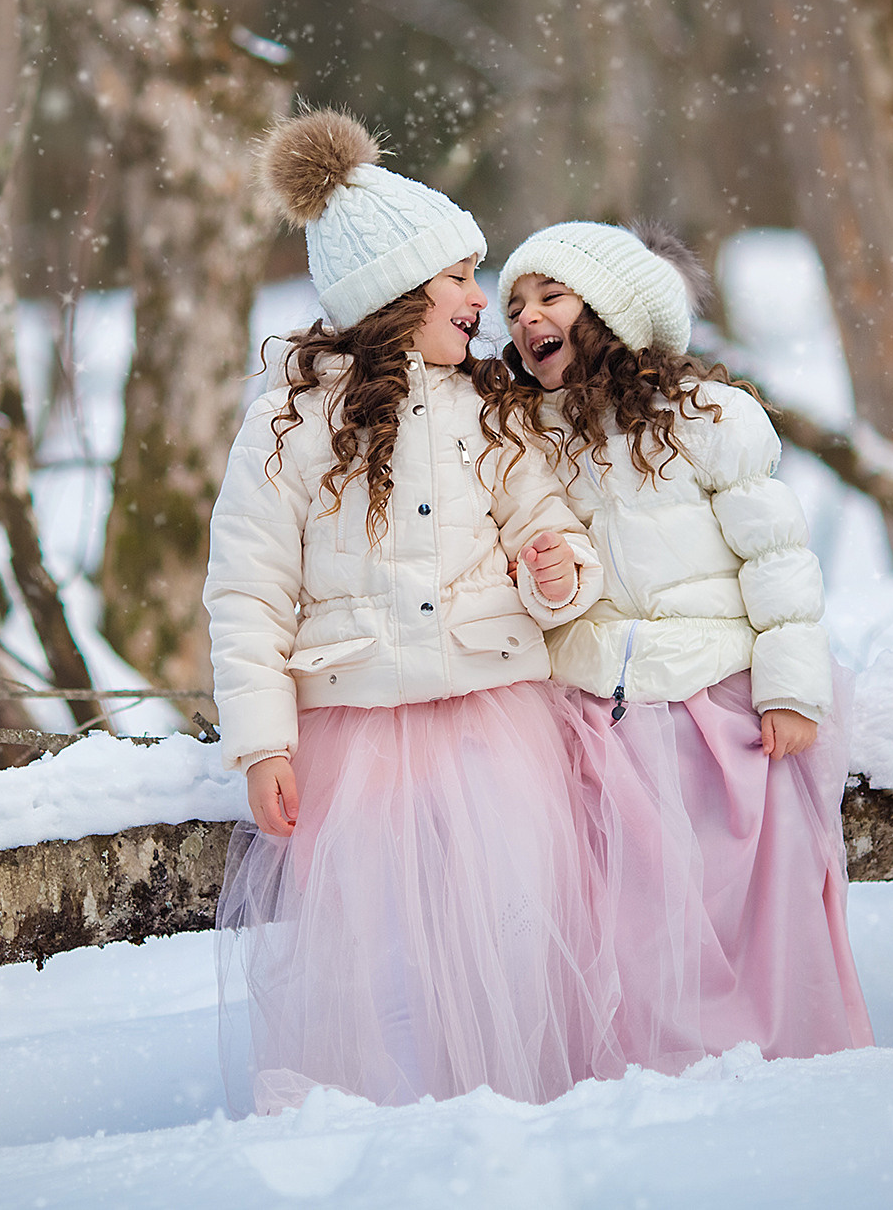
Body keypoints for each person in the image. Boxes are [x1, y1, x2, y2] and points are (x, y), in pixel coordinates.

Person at [206, 110, 614, 1114]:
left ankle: (508, 1123)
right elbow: (247, 591)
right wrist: (261, 744)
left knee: (507, 926)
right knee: (372, 946)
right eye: (460, 277)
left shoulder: (492, 410)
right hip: (356, 731)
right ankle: (375, 1128)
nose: (482, 300)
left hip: (489, 716)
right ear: (396, 291)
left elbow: (552, 530)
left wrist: (557, 572)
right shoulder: (288, 425)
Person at [497, 219, 873, 1066]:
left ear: (612, 311)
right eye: (514, 304)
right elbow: (538, 570)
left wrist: (789, 687)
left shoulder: (708, 418)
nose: (525, 317)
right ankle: (652, 1061)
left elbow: (777, 561)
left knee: (749, 886)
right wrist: (545, 580)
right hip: (599, 704)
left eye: (549, 295)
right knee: (631, 907)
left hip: (718, 696)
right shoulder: (529, 440)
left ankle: (776, 1047)